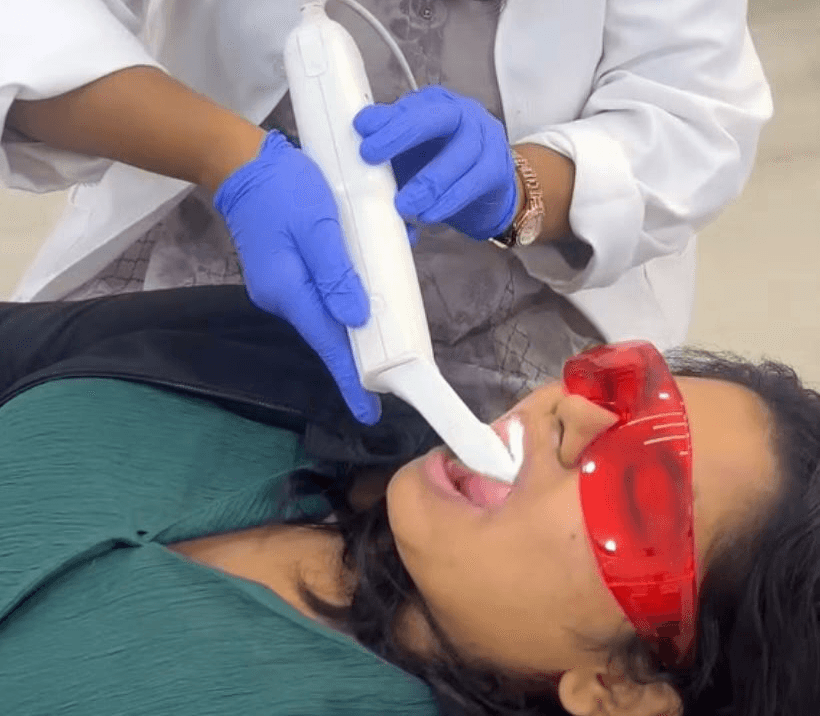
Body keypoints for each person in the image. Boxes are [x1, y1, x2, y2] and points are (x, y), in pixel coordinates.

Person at [0, 0, 772, 425]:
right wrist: (226, 158)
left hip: (509, 314)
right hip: (213, 265)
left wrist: (523, 185)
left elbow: (693, 113)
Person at [1, 286, 819, 716]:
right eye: (623, 386)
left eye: (641, 489)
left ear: (621, 687)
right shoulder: (300, 370)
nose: (569, 413)